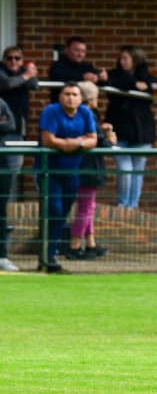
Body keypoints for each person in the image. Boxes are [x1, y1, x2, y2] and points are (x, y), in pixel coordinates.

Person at [37, 82, 97, 272]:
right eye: (67, 94)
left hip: (72, 171)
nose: (71, 98)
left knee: (63, 212)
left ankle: (51, 253)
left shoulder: (85, 113)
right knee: (54, 209)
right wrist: (66, 145)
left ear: (80, 98)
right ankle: (47, 254)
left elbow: (93, 139)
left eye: (74, 94)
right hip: (49, 170)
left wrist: (78, 143)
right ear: (60, 97)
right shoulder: (51, 111)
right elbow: (48, 139)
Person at [105, 45, 157, 209]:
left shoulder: (147, 78)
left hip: (142, 132)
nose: (121, 61)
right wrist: (137, 85)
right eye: (120, 58)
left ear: (135, 60)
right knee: (125, 169)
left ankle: (133, 207)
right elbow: (115, 82)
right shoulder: (115, 74)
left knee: (137, 171)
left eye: (125, 58)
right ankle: (122, 205)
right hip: (119, 131)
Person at [65, 81, 114, 261]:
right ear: (92, 98)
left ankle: (91, 242)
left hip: (79, 165)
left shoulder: (76, 114)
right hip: (88, 167)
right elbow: (101, 143)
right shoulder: (88, 114)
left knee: (88, 207)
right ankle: (75, 245)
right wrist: (110, 138)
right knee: (85, 208)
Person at [1, 45, 40, 203]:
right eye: (9, 58)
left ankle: (4, 211)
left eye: (17, 58)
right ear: (4, 60)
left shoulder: (24, 71)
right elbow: (6, 84)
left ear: (22, 60)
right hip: (1, 130)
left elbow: (34, 84)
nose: (13, 61)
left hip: (16, 131)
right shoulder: (1, 71)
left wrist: (27, 75)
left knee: (12, 172)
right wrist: (25, 76)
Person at [47, 36, 106, 102]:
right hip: (61, 105)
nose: (80, 54)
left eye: (83, 51)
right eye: (77, 50)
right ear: (66, 50)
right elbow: (58, 77)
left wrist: (102, 78)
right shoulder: (57, 65)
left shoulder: (87, 66)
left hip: (82, 106)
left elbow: (101, 83)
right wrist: (82, 77)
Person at [0, 96, 17, 271]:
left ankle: (1, 256)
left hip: (1, 164)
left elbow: (10, 125)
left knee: (1, 210)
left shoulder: (1, 102)